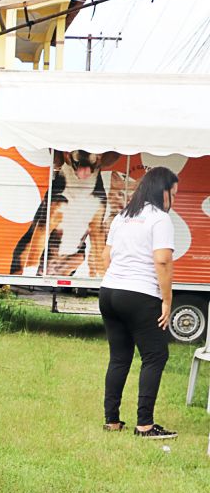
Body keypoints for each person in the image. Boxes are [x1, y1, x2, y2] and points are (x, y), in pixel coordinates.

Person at [99, 165, 179, 439]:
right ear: (162, 191)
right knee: (155, 355)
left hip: (109, 291)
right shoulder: (159, 219)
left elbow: (105, 258)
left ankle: (112, 421)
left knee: (119, 357)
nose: (174, 200)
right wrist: (166, 299)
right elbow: (162, 260)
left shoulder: (123, 216)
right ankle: (145, 425)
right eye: (173, 194)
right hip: (139, 293)